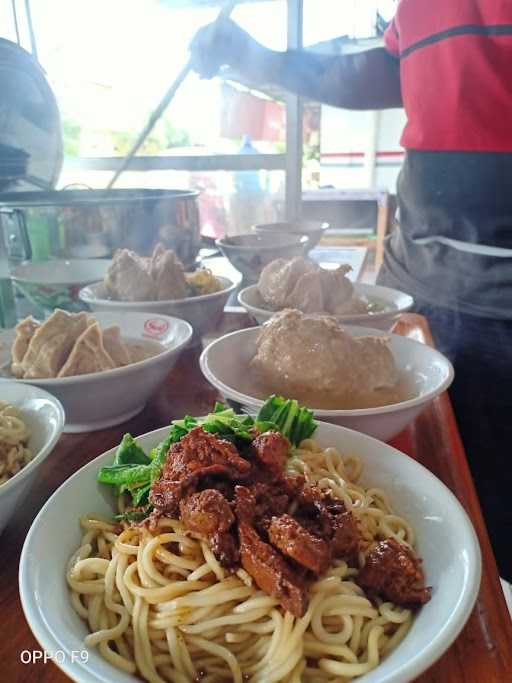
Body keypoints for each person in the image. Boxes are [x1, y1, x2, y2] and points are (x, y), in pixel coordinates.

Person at [189, 4, 512, 581]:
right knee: (412, 487)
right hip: (415, 276)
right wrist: (259, 59)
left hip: (502, 299)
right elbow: (391, 69)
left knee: (494, 525)